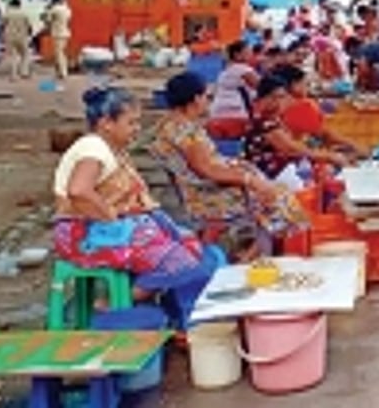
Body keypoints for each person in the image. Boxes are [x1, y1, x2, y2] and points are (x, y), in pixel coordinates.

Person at [54, 87, 212, 323]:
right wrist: (111, 217)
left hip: (99, 227)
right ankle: (117, 303)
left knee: (185, 241)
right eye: (131, 123)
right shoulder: (93, 148)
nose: (137, 129)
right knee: (177, 259)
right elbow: (78, 191)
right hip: (83, 234)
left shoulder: (108, 148)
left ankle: (151, 302)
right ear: (107, 123)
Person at [150, 73, 309, 257]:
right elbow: (207, 170)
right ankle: (255, 256)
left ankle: (253, 252)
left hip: (199, 191)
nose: (207, 102)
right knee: (280, 198)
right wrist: (248, 179)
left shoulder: (167, 125)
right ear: (195, 99)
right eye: (206, 96)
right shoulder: (186, 133)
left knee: (271, 191)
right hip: (209, 197)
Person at [244, 74, 353, 179]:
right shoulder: (264, 122)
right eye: (273, 97)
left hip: (283, 167)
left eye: (281, 98)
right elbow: (292, 149)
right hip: (271, 173)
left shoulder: (273, 117)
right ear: (262, 98)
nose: (278, 103)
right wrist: (329, 156)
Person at [273, 64, 361, 155]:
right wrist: (355, 146)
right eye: (305, 84)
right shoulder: (301, 105)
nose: (307, 88)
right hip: (302, 154)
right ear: (294, 85)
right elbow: (325, 135)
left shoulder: (278, 104)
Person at [206, 41, 260, 139]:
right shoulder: (242, 69)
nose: (250, 54)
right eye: (247, 52)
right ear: (237, 55)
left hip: (217, 113)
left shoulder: (227, 69)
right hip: (234, 114)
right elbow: (263, 87)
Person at [2, 0, 34, 81]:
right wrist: (30, 35)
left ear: (11, 4)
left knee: (13, 56)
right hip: (22, 36)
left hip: (10, 36)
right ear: (20, 4)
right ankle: (24, 72)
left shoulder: (7, 13)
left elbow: (2, 24)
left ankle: (13, 75)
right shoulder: (24, 13)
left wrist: (3, 35)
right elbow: (29, 26)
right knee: (25, 55)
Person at [43, 0, 72, 84]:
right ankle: (59, 72)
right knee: (61, 53)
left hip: (58, 34)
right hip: (66, 33)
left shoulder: (54, 9)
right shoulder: (67, 9)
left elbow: (47, 20)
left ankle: (63, 73)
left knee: (59, 54)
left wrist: (48, 10)